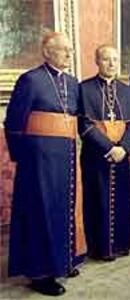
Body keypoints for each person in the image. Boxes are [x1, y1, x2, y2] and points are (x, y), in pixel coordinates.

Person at [4, 32, 86, 296]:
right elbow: (14, 123)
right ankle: (40, 274)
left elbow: (77, 118)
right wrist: (24, 159)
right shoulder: (30, 80)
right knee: (41, 213)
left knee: (64, 209)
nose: (69, 55)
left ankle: (62, 261)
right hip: (37, 162)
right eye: (64, 50)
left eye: (70, 50)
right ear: (47, 52)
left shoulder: (73, 83)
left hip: (67, 158)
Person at [79, 45, 130, 261]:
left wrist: (122, 148)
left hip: (121, 157)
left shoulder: (126, 91)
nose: (112, 64)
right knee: (97, 201)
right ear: (97, 61)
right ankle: (99, 248)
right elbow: (85, 125)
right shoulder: (84, 89)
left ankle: (120, 245)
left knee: (121, 201)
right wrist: (109, 147)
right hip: (96, 156)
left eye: (115, 59)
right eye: (106, 59)